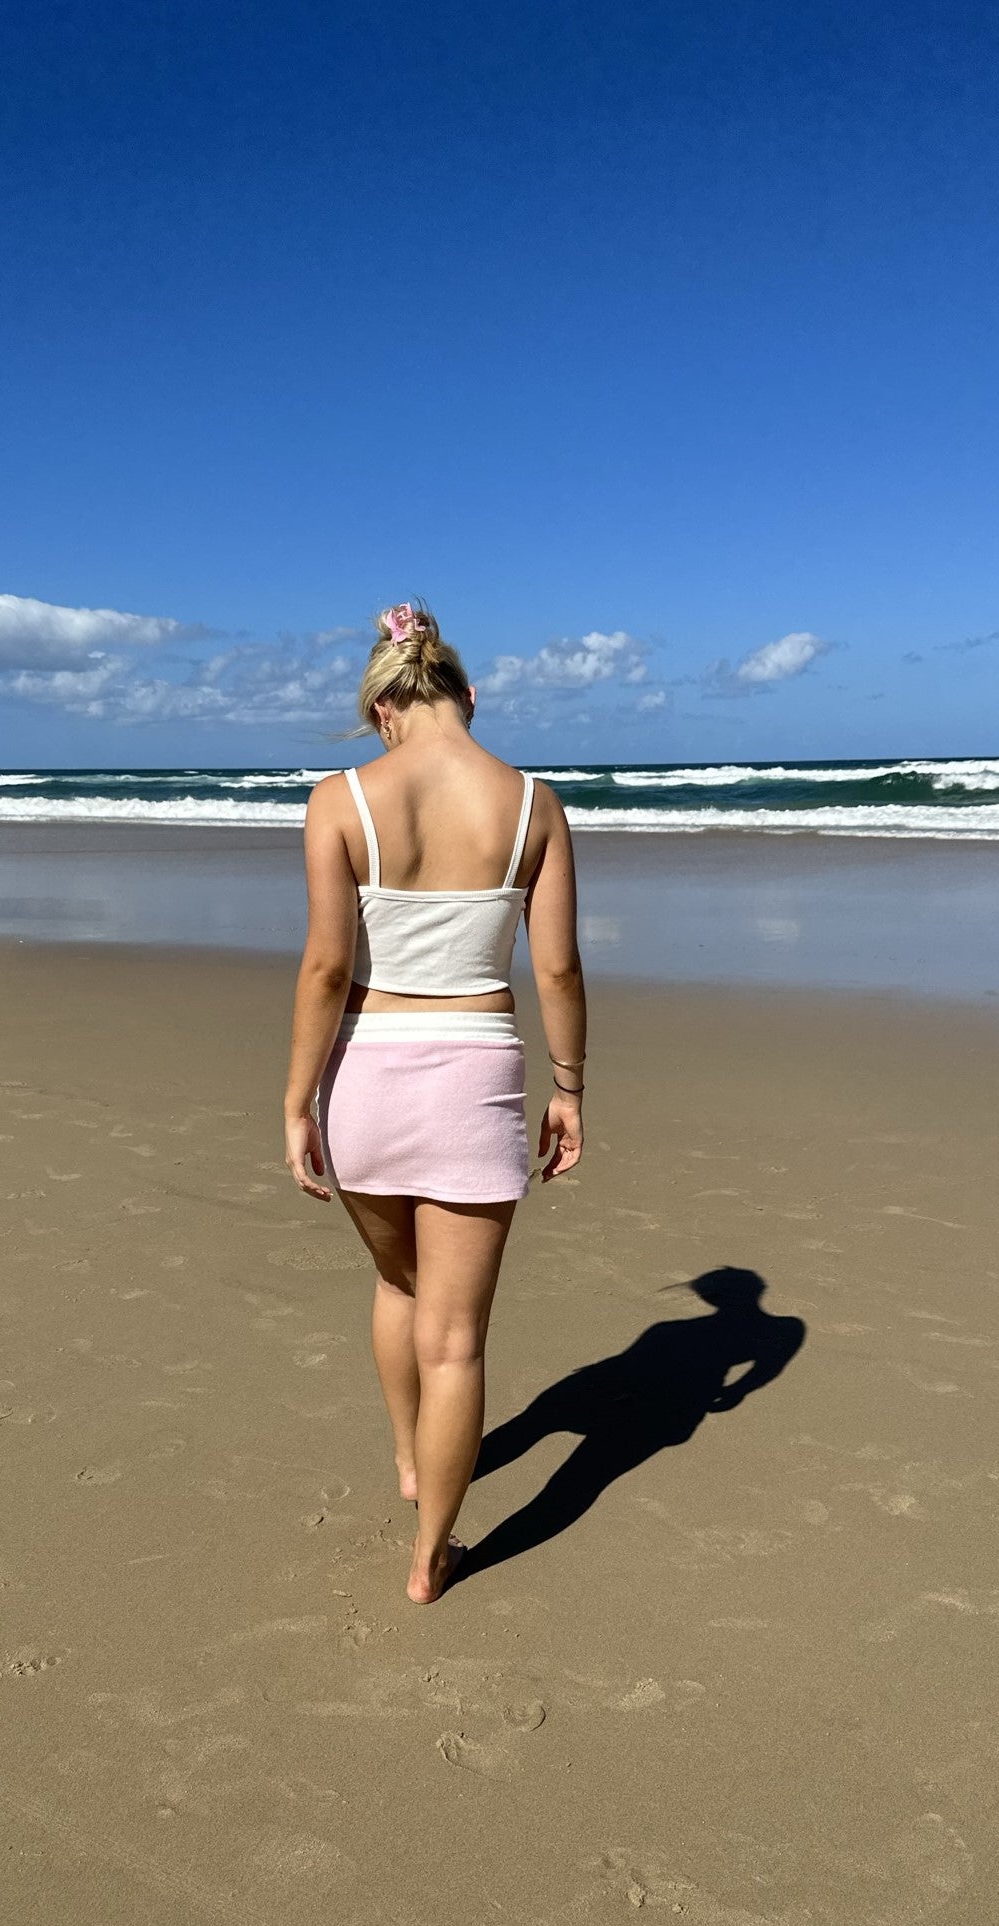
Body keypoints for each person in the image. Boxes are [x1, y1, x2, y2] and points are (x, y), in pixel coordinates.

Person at [283, 602, 587, 1602]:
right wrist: (570, 1088)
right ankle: (431, 1556)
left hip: (367, 1071)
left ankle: (412, 1463)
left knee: (400, 1286)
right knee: (456, 1338)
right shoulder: (535, 802)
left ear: (381, 709)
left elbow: (328, 968)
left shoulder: (341, 799)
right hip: (477, 1072)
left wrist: (297, 1100)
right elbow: (558, 972)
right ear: (468, 693)